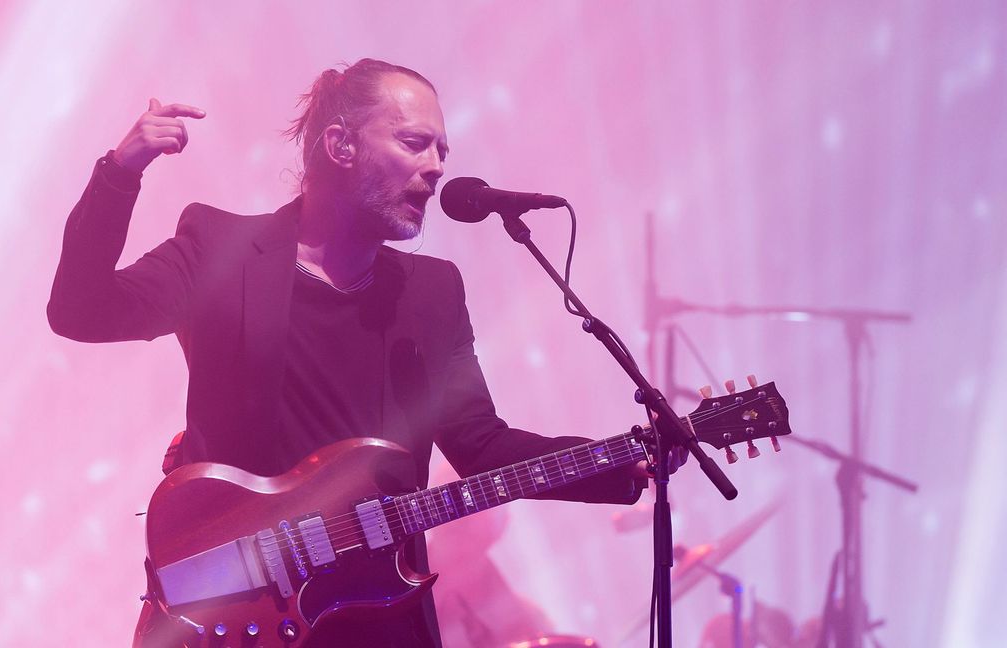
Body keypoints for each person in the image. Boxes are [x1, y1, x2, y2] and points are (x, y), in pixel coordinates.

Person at [48, 58, 655, 648]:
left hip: (381, 620)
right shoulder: (220, 250)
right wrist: (119, 173)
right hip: (234, 616)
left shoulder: (433, 292)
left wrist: (619, 461)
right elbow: (81, 311)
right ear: (340, 145)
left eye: (443, 151)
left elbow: (481, 446)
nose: (437, 168)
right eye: (416, 143)